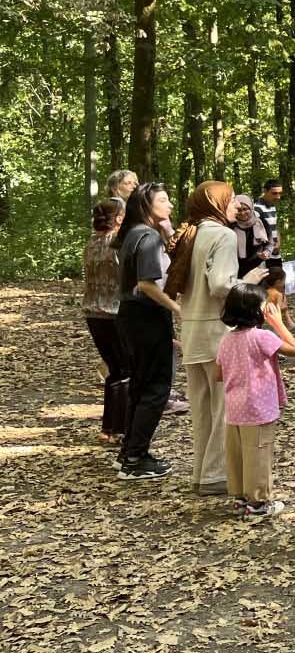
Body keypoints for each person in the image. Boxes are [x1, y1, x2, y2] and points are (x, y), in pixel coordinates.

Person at [167, 181, 251, 496]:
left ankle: (201, 474)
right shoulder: (223, 235)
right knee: (223, 408)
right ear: (216, 203)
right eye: (230, 200)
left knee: (202, 409)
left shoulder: (191, 234)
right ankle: (216, 474)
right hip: (217, 332)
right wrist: (249, 285)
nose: (236, 206)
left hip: (192, 330)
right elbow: (220, 285)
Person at [114, 183, 183, 481]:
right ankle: (135, 458)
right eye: (164, 201)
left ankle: (130, 452)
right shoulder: (147, 237)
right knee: (155, 389)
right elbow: (146, 284)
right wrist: (179, 310)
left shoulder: (133, 234)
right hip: (145, 315)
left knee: (141, 386)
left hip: (132, 316)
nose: (169, 205)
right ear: (146, 205)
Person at [215, 282, 295, 519]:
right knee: (259, 453)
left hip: (234, 407)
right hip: (259, 408)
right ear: (255, 309)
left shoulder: (227, 340)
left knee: (238, 454)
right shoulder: (262, 336)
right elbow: (294, 350)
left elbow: (218, 374)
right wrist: (279, 323)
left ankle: (240, 498)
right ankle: (259, 502)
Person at [83, 198, 129, 445]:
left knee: (115, 370)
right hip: (114, 312)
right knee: (125, 371)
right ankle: (120, 429)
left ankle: (108, 428)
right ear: (119, 218)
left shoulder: (92, 242)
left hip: (93, 313)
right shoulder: (118, 242)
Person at [231, 194, 272, 278]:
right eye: (239, 210)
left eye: (245, 209)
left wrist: (266, 252)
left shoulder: (261, 223)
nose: (242, 213)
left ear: (251, 207)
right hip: (237, 270)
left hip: (258, 268)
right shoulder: (231, 225)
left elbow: (270, 243)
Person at [255, 179, 283, 257]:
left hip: (275, 253)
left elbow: (275, 226)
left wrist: (278, 243)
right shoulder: (257, 208)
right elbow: (255, 233)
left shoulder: (272, 206)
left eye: (280, 193)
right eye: (274, 193)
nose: (278, 197)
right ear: (265, 191)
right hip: (264, 254)